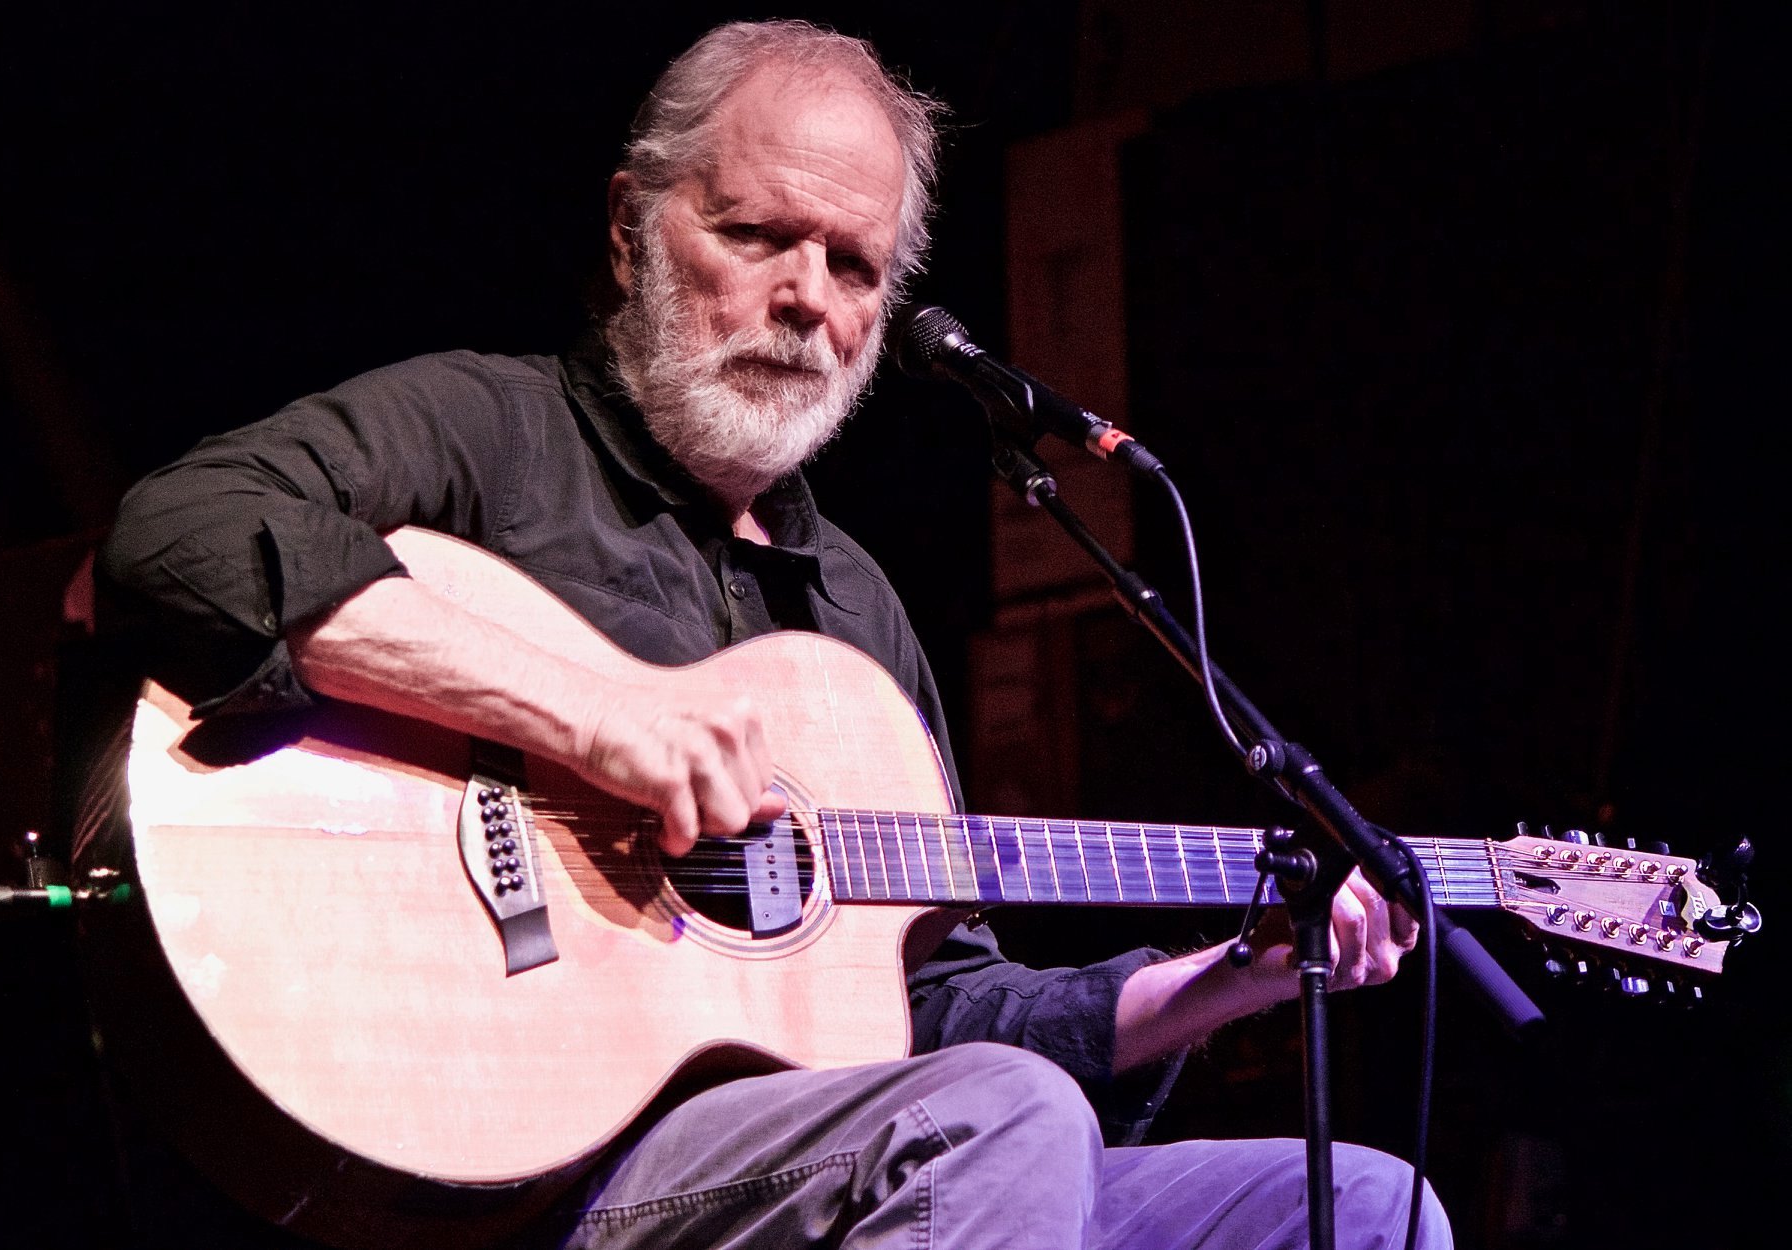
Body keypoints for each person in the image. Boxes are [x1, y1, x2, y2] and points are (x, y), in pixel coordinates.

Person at [97, 19, 1452, 1250]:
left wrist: (1234, 976)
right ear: (630, 227)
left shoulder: (852, 610)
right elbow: (180, 534)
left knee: (1363, 1203)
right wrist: (588, 714)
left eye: (853, 263)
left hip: (834, 1158)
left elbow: (937, 1017)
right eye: (757, 236)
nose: (808, 296)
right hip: (535, 1166)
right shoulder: (489, 434)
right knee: (998, 1116)